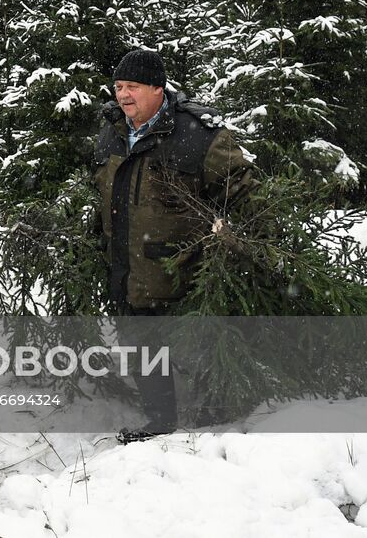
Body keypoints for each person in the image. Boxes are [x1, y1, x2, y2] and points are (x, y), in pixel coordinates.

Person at [90, 48, 256, 442]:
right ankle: (160, 423)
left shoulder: (200, 135)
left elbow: (245, 194)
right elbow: (101, 191)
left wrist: (231, 239)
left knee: (195, 351)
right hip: (128, 270)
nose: (123, 95)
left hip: (183, 273)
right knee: (140, 347)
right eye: (118, 87)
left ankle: (218, 427)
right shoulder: (113, 132)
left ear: (157, 88)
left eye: (132, 87)